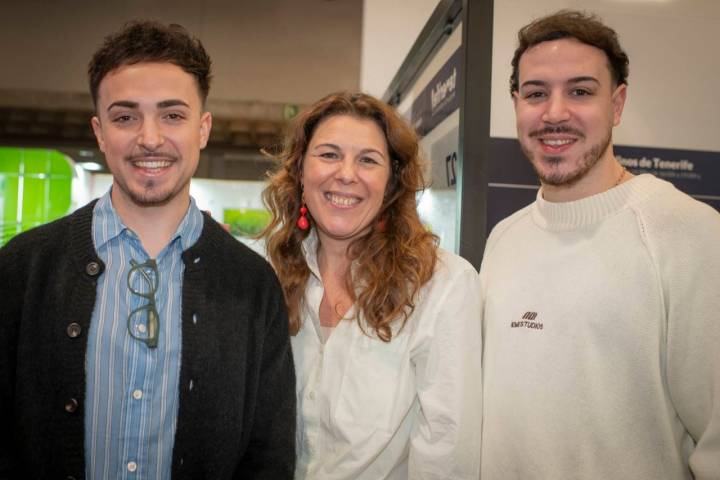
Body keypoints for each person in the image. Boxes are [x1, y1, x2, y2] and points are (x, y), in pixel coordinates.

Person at [0, 21, 295, 479]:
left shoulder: (252, 285)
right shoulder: (24, 267)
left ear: (203, 128)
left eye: (173, 115)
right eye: (125, 117)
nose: (150, 138)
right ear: (100, 132)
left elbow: (268, 455)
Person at [479, 9, 720, 480]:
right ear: (516, 104)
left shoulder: (689, 234)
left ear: (617, 104)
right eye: (535, 94)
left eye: (581, 91)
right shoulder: (503, 238)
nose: (554, 113)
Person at [261, 91, 482, 479]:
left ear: (393, 180)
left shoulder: (441, 285)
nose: (346, 174)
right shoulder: (268, 274)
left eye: (368, 160)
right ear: (299, 170)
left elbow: (446, 450)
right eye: (329, 154)